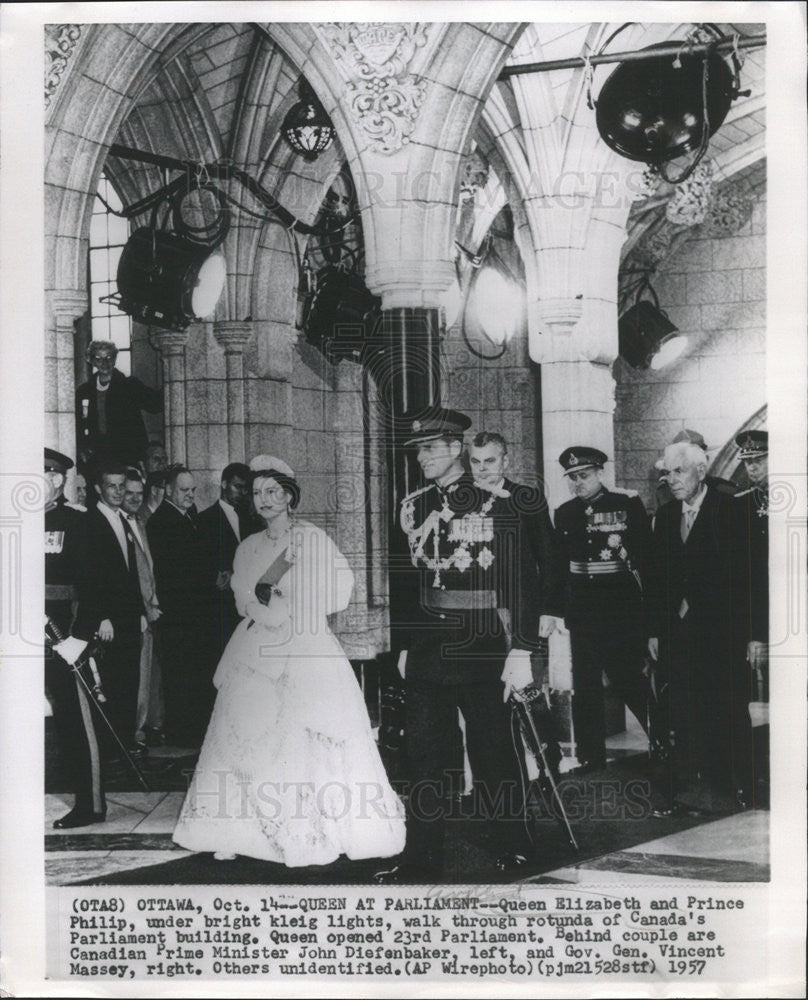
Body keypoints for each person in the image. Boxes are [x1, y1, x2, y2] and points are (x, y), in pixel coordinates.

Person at [173, 462, 405, 866]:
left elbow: (341, 590)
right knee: (247, 731)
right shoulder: (248, 546)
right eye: (257, 493)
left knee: (306, 732)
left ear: (289, 497)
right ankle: (242, 828)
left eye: (272, 492)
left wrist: (296, 599)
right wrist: (262, 606)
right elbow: (242, 596)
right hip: (259, 643)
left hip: (305, 643)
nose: (263, 500)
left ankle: (314, 826)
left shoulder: (312, 539)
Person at [375, 409, 533, 884]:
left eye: (429, 448)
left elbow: (521, 580)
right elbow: (406, 581)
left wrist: (522, 649)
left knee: (493, 752)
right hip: (427, 646)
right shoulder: (413, 505)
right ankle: (420, 857)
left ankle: (514, 844)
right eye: (418, 449)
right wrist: (402, 644)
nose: (421, 457)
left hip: (482, 641)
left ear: (455, 448)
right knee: (425, 756)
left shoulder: (498, 503)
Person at [647, 441, 752, 812]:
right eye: (667, 473)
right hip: (679, 631)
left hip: (722, 630)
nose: (671, 480)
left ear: (700, 471)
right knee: (684, 708)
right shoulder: (665, 515)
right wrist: (656, 631)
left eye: (679, 471)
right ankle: (691, 788)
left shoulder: (731, 510)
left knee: (726, 706)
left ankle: (736, 787)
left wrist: (752, 634)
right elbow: (657, 580)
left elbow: (748, 577)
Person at [552, 446, 651, 774]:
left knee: (629, 679)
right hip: (582, 610)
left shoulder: (626, 503)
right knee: (586, 686)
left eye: (584, 476)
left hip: (620, 609)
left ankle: (664, 739)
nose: (577, 483)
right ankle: (590, 757)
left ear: (599, 474)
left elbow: (644, 557)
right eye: (572, 478)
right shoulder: (564, 513)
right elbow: (561, 566)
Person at [44, 447, 106, 829]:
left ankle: (90, 802)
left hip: (62, 634)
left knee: (73, 718)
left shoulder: (78, 523)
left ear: (57, 480)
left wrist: (80, 638)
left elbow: (98, 585)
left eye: (48, 476)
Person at [73, 461, 145, 758]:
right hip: (107, 621)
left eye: (121, 486)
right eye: (112, 486)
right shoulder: (89, 522)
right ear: (98, 489)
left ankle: (125, 743)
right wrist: (101, 616)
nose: (118, 492)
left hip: (128, 618)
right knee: (111, 683)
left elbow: (131, 574)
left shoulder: (123, 520)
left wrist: (139, 612)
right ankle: (111, 749)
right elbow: (87, 575)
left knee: (129, 680)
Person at [146, 466, 214, 747]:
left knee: (194, 672)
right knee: (180, 674)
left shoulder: (188, 517)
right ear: (169, 491)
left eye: (193, 490)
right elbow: (170, 574)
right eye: (184, 490)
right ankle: (183, 733)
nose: (190, 495)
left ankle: (194, 729)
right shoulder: (161, 522)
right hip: (178, 615)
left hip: (194, 614)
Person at [121, 470, 165, 749]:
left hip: (151, 609)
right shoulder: (118, 524)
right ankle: (134, 734)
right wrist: (142, 609)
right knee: (137, 675)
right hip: (135, 613)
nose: (136, 498)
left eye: (140, 492)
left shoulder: (141, 521)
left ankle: (147, 727)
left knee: (150, 674)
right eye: (129, 492)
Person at [76, 340, 162, 469]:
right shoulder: (85, 391)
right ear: (91, 360)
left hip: (127, 453)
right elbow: (78, 423)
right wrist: (82, 448)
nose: (104, 363)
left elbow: (155, 405)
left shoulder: (130, 385)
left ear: (115, 359)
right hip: (96, 455)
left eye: (109, 358)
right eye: (99, 359)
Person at [196, 462, 253, 657]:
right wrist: (218, 575)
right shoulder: (204, 520)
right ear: (223, 484)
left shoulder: (251, 520)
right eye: (237, 487)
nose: (242, 493)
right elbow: (200, 561)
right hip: (220, 607)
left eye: (246, 489)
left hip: (247, 605)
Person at [733, 430, 769, 704]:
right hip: (763, 610)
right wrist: (754, 631)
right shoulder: (743, 505)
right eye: (747, 461)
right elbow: (746, 574)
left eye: (759, 459)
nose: (752, 466)